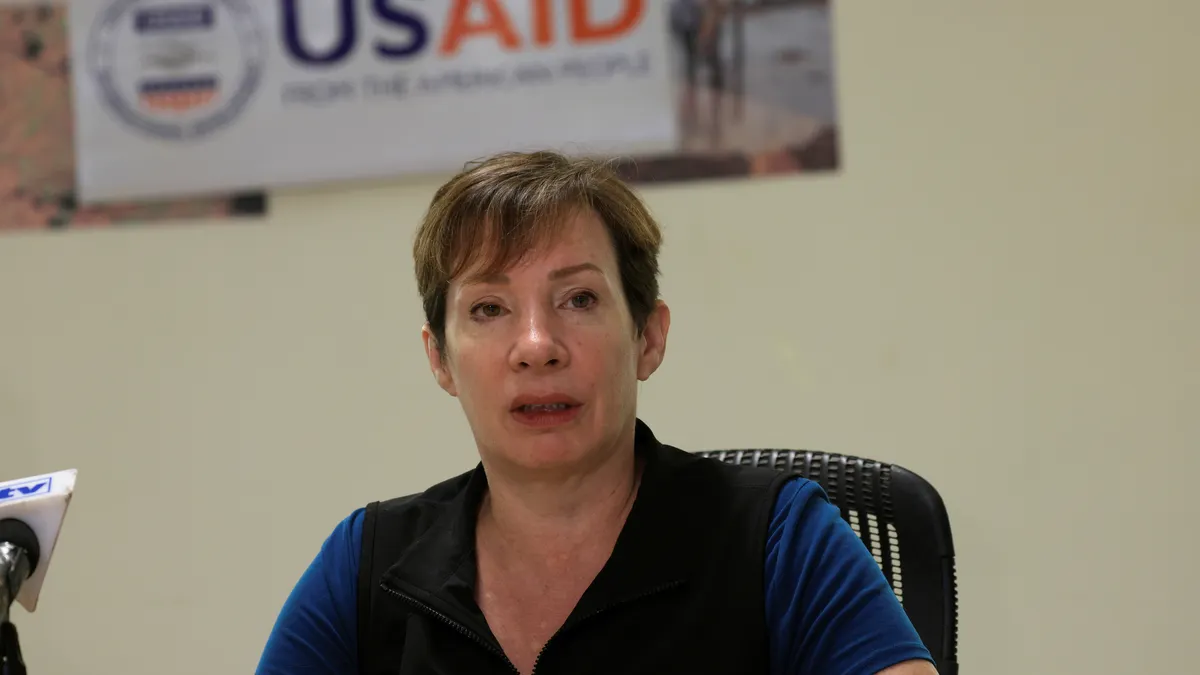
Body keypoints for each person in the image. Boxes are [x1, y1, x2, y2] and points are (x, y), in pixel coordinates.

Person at [254, 151, 937, 675]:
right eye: (489, 308)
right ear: (440, 359)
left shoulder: (775, 539)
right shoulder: (369, 565)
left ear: (648, 337)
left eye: (578, 299)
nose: (536, 346)